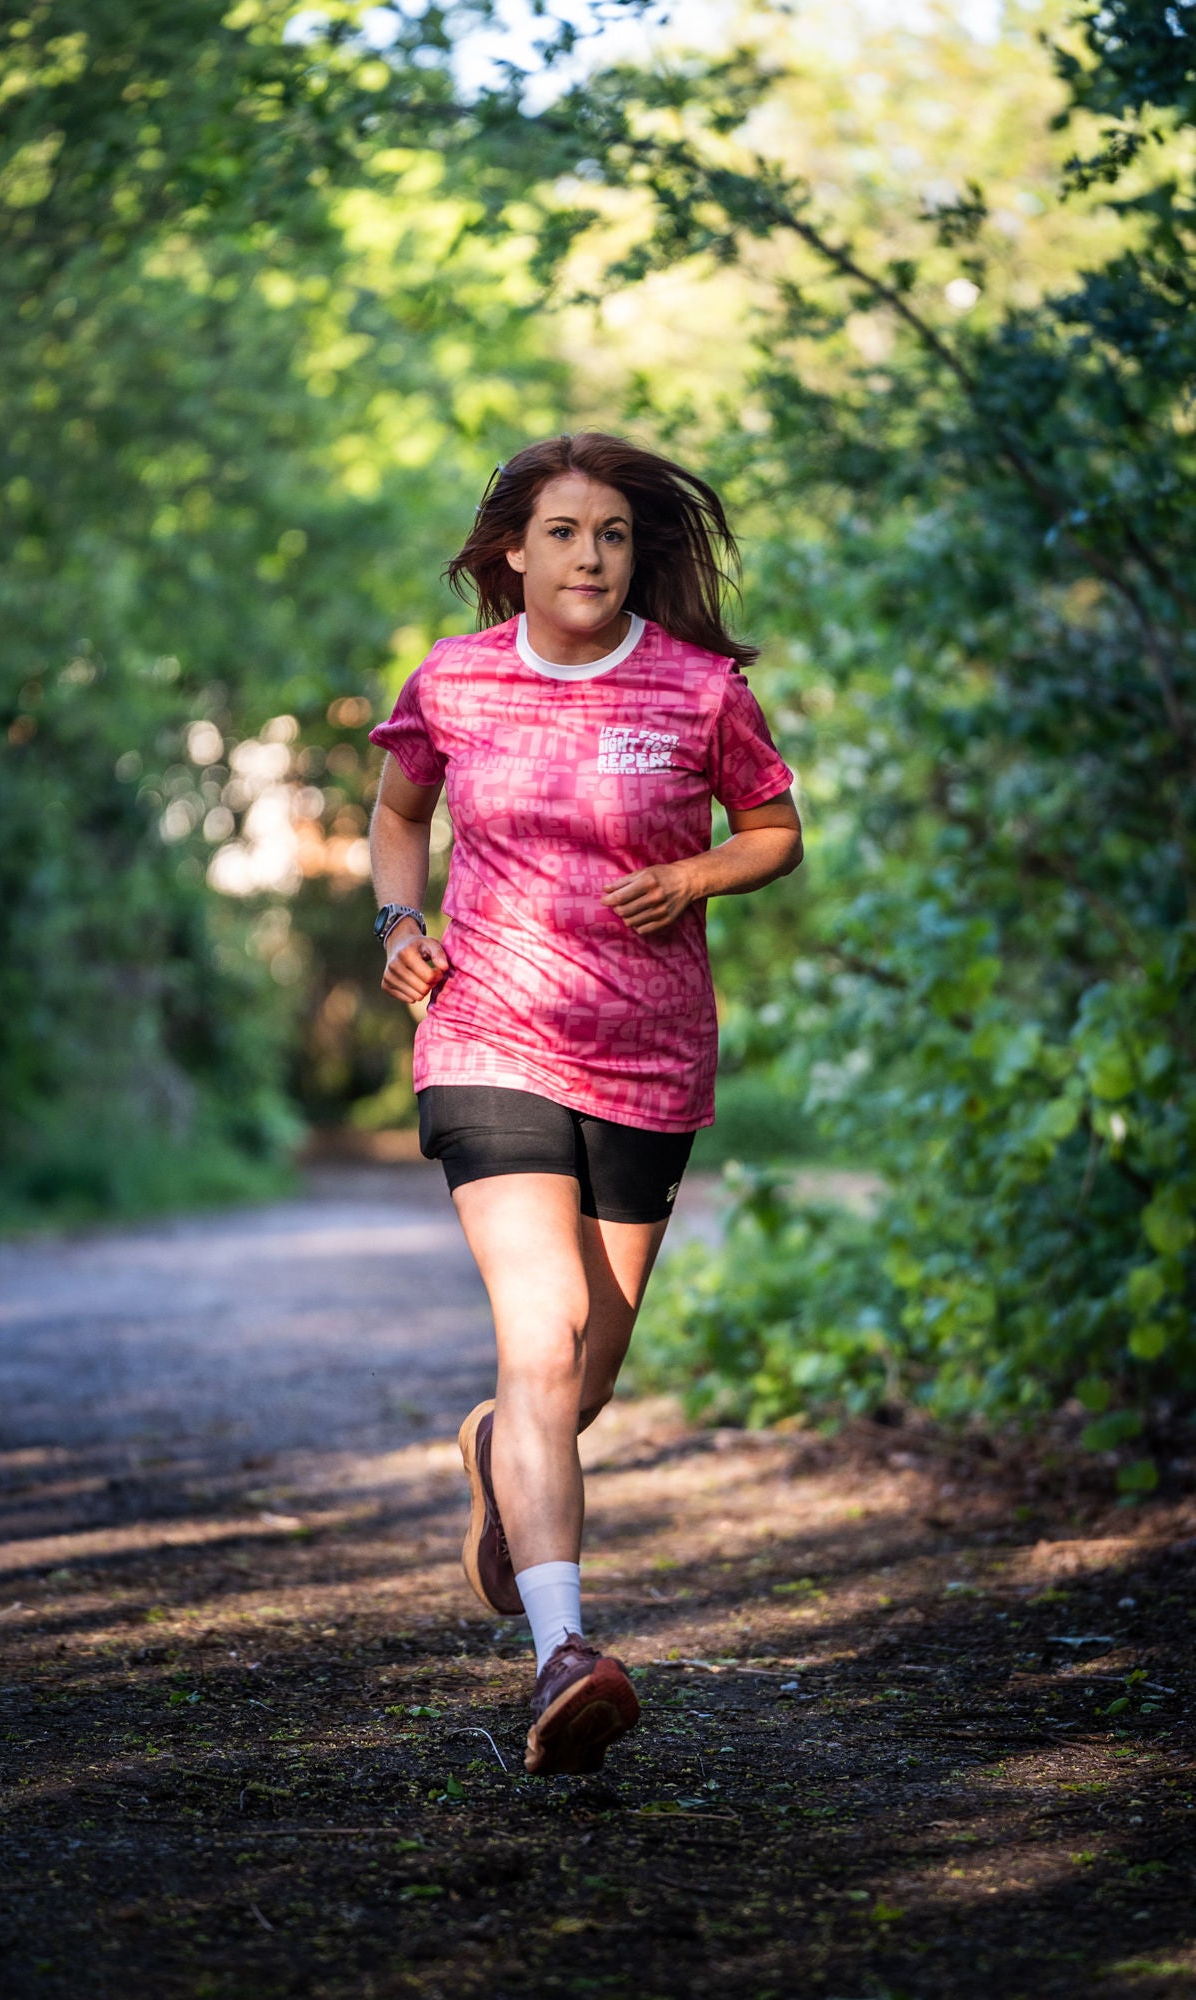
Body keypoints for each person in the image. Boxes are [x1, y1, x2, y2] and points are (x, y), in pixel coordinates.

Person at [367, 431, 802, 1777]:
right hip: (486, 1033)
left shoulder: (696, 687)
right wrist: (397, 915)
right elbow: (395, 813)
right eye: (561, 532)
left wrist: (695, 882)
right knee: (544, 1327)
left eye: (610, 533)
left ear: (636, 551)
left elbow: (774, 828)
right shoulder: (456, 679)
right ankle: (563, 1650)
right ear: (511, 549)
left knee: (581, 1371)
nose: (588, 556)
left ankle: (503, 1452)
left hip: (648, 1055)